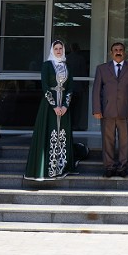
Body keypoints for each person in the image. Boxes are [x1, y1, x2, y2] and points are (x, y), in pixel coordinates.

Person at [24, 40, 77, 180]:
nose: (59, 51)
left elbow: (70, 87)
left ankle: (62, 168)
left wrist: (65, 105)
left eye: (61, 48)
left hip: (64, 107)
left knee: (62, 133)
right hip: (49, 106)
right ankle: (47, 170)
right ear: (52, 50)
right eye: (56, 48)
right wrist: (55, 106)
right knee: (50, 132)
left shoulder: (67, 66)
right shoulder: (47, 65)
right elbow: (45, 86)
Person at [92, 42, 128, 178]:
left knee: (125, 142)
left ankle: (122, 168)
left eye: (120, 50)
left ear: (124, 52)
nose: (118, 52)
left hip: (126, 111)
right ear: (111, 52)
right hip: (107, 111)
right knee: (108, 141)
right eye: (115, 50)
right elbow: (96, 90)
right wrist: (97, 109)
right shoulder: (102, 69)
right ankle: (109, 167)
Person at [66, 42, 89, 131]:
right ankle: (76, 125)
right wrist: (85, 85)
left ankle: (68, 125)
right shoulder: (81, 58)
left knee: (69, 107)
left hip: (68, 87)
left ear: (71, 48)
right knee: (78, 108)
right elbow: (83, 72)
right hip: (78, 87)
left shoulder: (66, 58)